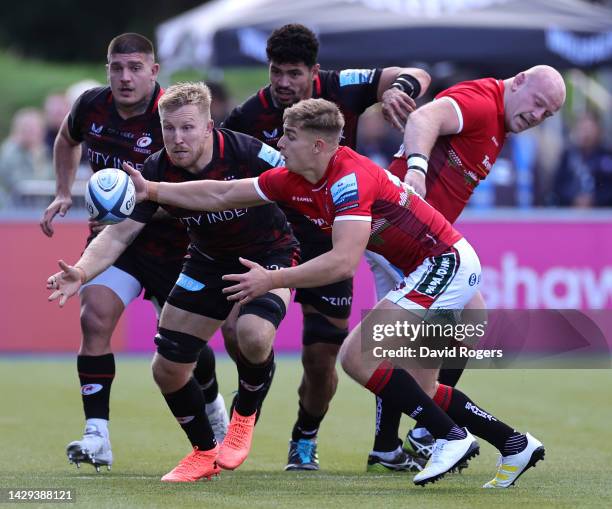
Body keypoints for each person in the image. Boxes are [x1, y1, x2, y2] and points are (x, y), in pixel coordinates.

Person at [124, 98, 546, 489]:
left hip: (445, 264)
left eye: (289, 137)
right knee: (423, 387)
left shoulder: (349, 179)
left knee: (355, 357)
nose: (279, 143)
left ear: (319, 144)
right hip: (428, 268)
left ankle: (451, 438)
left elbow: (343, 263)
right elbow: (220, 192)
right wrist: (155, 190)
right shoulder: (294, 177)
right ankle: (514, 444)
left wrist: (272, 280)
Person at [48, 82, 299, 482]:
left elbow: (295, 186)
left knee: (251, 334)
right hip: (205, 261)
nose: (177, 139)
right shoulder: (155, 169)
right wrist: (82, 270)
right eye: (169, 129)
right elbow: (118, 234)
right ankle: (203, 452)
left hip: (267, 256)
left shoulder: (248, 152)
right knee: (167, 370)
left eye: (187, 128)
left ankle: (243, 416)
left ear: (209, 127)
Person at [223, 22, 431, 472]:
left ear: (314, 72)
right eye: (276, 71)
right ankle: (257, 379)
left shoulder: (344, 86)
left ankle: (305, 437)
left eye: (293, 73)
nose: (282, 83)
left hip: (328, 247)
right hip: (272, 242)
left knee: (321, 361)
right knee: (238, 332)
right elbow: (224, 178)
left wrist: (399, 90)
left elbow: (415, 73)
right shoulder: (246, 116)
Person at [39, 34, 224, 472]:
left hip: (177, 246)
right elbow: (66, 140)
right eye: (117, 67)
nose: (125, 77)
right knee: (93, 317)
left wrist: (139, 211)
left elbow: (197, 187)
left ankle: (212, 401)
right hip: (114, 244)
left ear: (153, 71)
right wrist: (64, 191)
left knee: (183, 347)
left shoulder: (174, 116)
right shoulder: (90, 106)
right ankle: (97, 435)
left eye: (135, 67)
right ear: (107, 69)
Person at [367, 65, 566, 465]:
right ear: (520, 80)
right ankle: (430, 433)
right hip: (399, 233)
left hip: (418, 241)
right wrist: (418, 173)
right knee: (430, 332)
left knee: (466, 319)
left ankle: (399, 440)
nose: (537, 116)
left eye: (548, 115)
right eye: (538, 105)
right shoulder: (481, 101)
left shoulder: (500, 122)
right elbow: (425, 116)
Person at [553, 109, 612, 207]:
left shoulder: (607, 155)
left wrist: (594, 200)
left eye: (589, 128)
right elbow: (558, 185)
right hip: (571, 213)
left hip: (602, 215)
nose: (586, 133)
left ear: (598, 129)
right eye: (582, 127)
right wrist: (574, 199)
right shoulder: (568, 155)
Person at [0, 108, 52, 208]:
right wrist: (35, 159)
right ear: (16, 130)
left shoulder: (45, 151)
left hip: (41, 211)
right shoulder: (9, 152)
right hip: (15, 213)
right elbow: (19, 183)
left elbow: (53, 179)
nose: (29, 131)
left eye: (33, 128)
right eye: (26, 127)